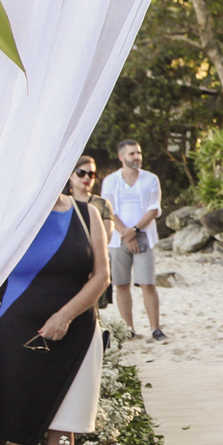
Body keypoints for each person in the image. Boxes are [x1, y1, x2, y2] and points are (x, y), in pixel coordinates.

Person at [0, 190, 109, 445]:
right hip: (18, 327)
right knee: (20, 422)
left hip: (76, 330)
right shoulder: (9, 213)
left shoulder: (87, 213)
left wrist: (65, 315)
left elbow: (101, 275)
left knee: (64, 425)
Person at [101, 139, 165, 341]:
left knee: (147, 283)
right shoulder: (111, 181)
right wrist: (126, 234)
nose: (137, 157)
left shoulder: (150, 179)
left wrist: (135, 231)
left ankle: (155, 328)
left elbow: (153, 209)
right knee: (121, 284)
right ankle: (128, 328)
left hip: (143, 234)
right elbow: (109, 210)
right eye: (132, 154)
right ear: (121, 157)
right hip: (118, 237)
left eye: (138, 153)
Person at [68, 156, 114, 308]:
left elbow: (106, 236)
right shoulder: (62, 203)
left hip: (94, 261)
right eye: (81, 173)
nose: (87, 177)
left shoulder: (101, 204)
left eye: (91, 174)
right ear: (70, 174)